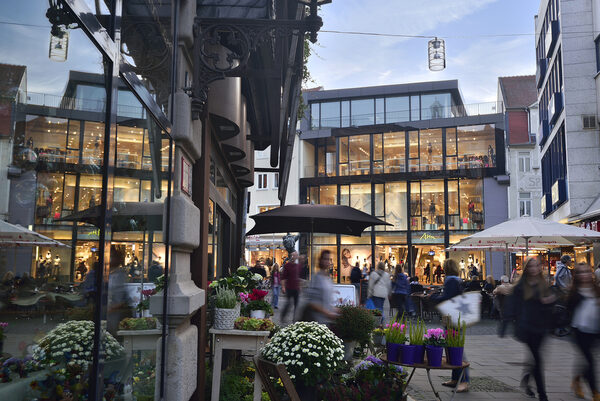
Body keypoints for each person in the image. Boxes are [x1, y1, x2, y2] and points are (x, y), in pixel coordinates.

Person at [503, 256, 555, 401]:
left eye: (537, 266)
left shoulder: (544, 284)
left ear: (540, 267)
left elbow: (551, 303)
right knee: (538, 359)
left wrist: (549, 301)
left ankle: (526, 380)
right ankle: (542, 394)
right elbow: (512, 306)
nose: (534, 269)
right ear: (526, 269)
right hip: (527, 327)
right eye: (531, 266)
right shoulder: (520, 287)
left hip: (541, 327)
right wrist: (505, 323)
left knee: (535, 359)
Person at [429, 259, 469, 393]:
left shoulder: (451, 280)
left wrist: (434, 297)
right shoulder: (456, 279)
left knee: (457, 349)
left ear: (446, 268)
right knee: (452, 347)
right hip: (455, 316)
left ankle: (464, 381)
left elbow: (448, 297)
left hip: (454, 317)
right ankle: (455, 378)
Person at [567, 263, 600, 401]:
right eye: (581, 273)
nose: (584, 275)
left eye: (587, 271)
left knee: (586, 361)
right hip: (578, 330)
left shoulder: (596, 290)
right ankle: (595, 393)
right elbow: (568, 312)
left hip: (595, 330)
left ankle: (576, 380)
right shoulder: (574, 292)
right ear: (577, 276)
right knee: (589, 361)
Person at [300, 250, 338, 325]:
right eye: (325, 259)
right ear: (320, 260)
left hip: (327, 321)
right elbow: (312, 302)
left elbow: (326, 301)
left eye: (329, 259)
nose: (328, 262)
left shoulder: (328, 278)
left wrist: (337, 310)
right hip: (317, 321)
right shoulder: (316, 277)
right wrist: (328, 313)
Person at [281, 251, 301, 323]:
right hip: (289, 287)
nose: (294, 257)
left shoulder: (298, 266)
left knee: (296, 305)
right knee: (288, 303)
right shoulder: (287, 266)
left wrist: (300, 285)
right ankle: (283, 316)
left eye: (295, 255)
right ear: (291, 256)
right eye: (293, 255)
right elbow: (283, 277)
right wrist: (283, 287)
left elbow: (299, 277)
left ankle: (295, 319)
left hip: (296, 288)